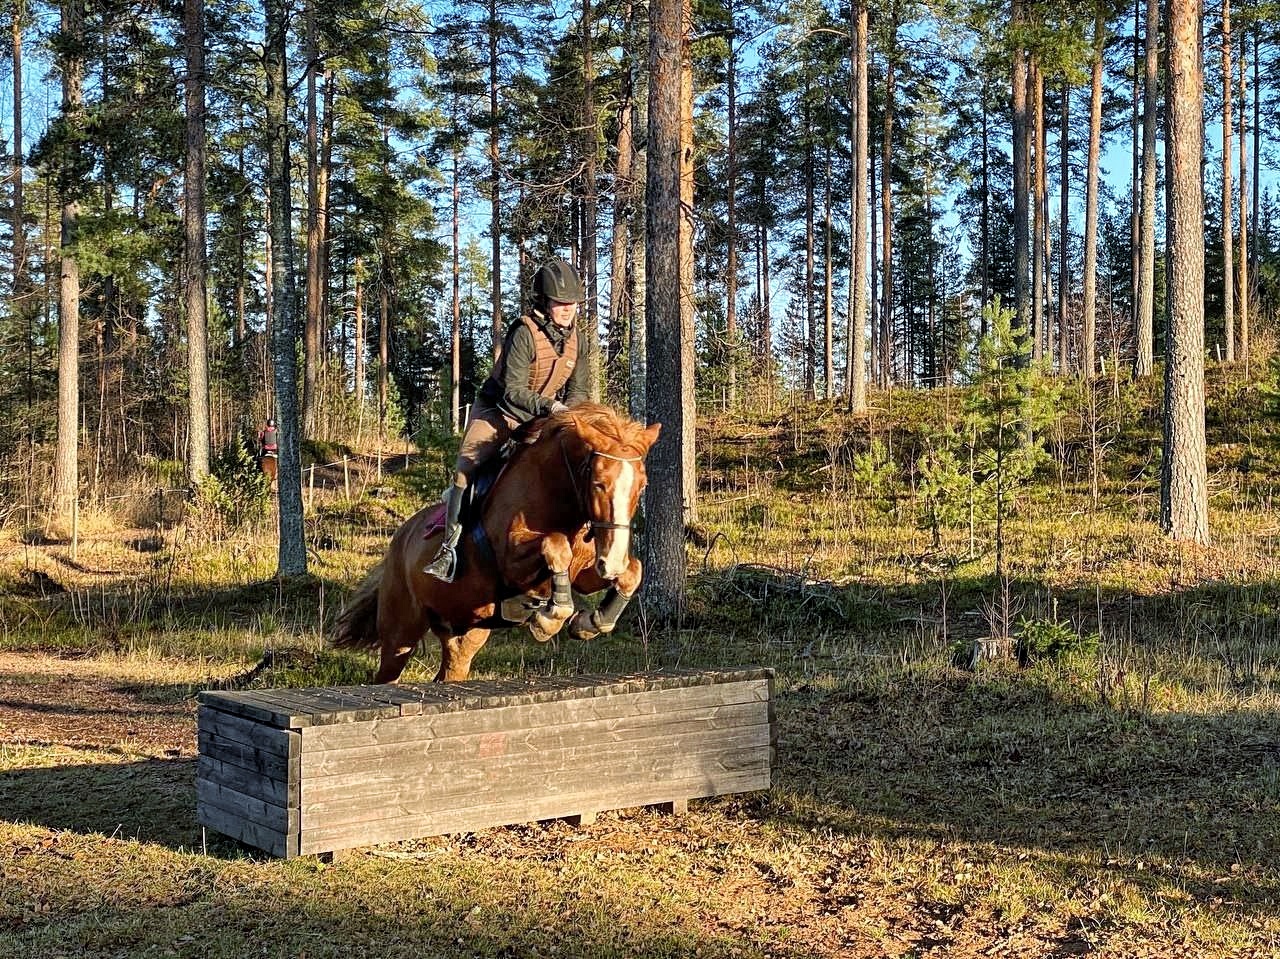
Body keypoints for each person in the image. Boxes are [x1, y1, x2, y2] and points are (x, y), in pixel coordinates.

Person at [425, 257, 590, 581]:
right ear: (544, 302)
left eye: (572, 303)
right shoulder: (523, 332)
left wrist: (568, 416)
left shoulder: (577, 340)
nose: (568, 309)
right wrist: (552, 408)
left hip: (542, 418)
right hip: (499, 413)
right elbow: (512, 390)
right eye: (560, 303)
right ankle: (449, 552)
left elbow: (579, 390)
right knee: (466, 468)